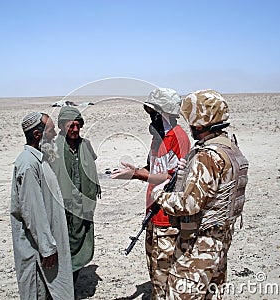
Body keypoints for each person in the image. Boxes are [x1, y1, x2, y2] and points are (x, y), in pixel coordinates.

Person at [152, 89, 249, 299]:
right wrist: (184, 174)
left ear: (199, 122)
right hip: (220, 241)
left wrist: (159, 195)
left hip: (199, 245)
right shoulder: (230, 148)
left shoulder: (208, 155)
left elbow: (189, 204)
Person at [111, 87, 191, 299]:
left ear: (163, 113)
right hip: (153, 215)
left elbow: (171, 178)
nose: (150, 117)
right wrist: (133, 171)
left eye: (153, 113)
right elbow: (153, 169)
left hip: (169, 219)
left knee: (167, 277)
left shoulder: (178, 138)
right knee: (156, 273)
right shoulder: (158, 137)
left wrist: (137, 174)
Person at [10, 112, 74, 300]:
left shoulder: (41, 159)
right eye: (51, 130)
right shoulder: (28, 164)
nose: (55, 134)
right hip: (37, 249)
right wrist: (47, 248)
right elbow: (33, 210)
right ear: (37, 135)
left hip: (48, 242)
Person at [51, 106, 101, 286]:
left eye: (78, 125)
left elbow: (91, 168)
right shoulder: (52, 148)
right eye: (71, 126)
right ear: (62, 126)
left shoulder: (85, 145)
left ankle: (72, 280)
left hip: (82, 206)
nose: (75, 130)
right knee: (61, 245)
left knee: (80, 242)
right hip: (61, 207)